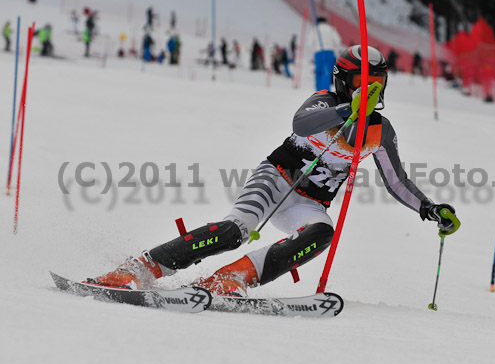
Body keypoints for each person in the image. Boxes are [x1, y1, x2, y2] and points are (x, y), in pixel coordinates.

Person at [87, 45, 459, 296]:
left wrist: (429, 208)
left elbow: (396, 180)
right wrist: (349, 110)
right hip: (277, 177)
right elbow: (301, 124)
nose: (372, 93)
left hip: (308, 202)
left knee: (322, 232)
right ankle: (138, 268)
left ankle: (230, 279)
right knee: (236, 230)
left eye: (378, 85)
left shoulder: (380, 129)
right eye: (364, 84)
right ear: (345, 82)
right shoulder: (325, 102)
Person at [306, 16, 342, 91]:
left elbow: (309, 43)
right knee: (326, 71)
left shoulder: (314, 29)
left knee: (319, 72)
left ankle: (318, 91)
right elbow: (338, 41)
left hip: (318, 52)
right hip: (329, 51)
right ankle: (325, 90)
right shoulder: (331, 29)